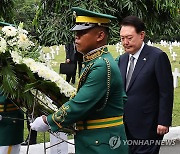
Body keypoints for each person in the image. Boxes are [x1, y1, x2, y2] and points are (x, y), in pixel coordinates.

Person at [30, 7, 128, 154]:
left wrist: (48, 121)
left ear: (100, 35)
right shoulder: (95, 61)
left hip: (102, 144)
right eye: (76, 33)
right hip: (96, 141)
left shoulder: (101, 65)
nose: (76, 37)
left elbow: (80, 104)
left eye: (82, 33)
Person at [117, 16, 174, 154]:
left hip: (149, 126)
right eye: (122, 38)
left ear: (141, 35)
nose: (125, 42)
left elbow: (166, 91)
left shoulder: (157, 57)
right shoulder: (122, 60)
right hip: (125, 127)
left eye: (129, 38)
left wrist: (164, 121)